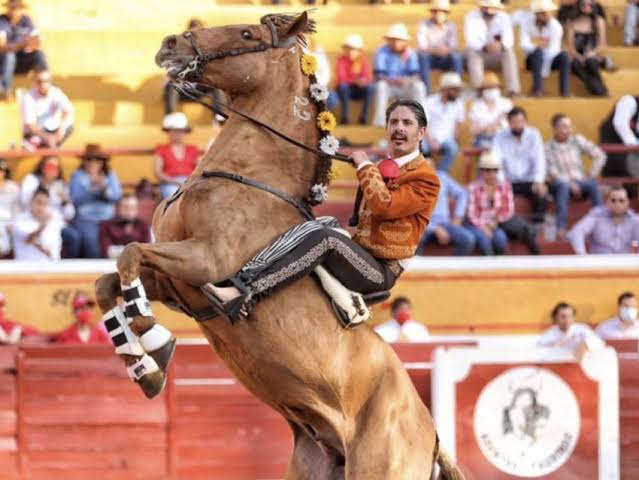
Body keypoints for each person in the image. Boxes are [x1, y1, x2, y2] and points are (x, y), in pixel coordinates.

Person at [202, 99, 440, 322]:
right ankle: (243, 276)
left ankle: (246, 293)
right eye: (394, 122)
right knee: (321, 223)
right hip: (362, 252)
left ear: (421, 133)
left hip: (380, 272)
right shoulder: (385, 166)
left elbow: (384, 205)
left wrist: (366, 166)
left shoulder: (425, 178)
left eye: (407, 123)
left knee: (327, 240)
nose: (399, 128)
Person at [466, 151, 539, 255]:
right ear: (481, 171)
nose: (491, 173)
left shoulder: (505, 185)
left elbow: (508, 210)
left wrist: (495, 222)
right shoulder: (473, 187)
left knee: (501, 239)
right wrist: (483, 226)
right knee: (485, 240)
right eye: (487, 170)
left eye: (494, 170)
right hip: (478, 224)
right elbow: (472, 213)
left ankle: (499, 268)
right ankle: (488, 269)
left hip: (497, 223)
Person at [546, 113, 604, 237]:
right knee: (563, 186)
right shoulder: (548, 147)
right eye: (565, 127)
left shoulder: (577, 140)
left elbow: (600, 155)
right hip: (560, 183)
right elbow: (552, 171)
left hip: (580, 180)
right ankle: (561, 228)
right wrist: (570, 184)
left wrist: (591, 174)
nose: (569, 130)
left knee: (593, 185)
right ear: (555, 129)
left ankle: (601, 223)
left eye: (569, 127)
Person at [491, 107, 547, 223]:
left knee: (541, 194)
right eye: (514, 122)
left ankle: (536, 228)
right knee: (495, 196)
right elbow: (495, 160)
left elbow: (539, 159)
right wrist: (500, 183)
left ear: (525, 122)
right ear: (508, 123)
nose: (517, 125)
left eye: (520, 122)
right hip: (508, 181)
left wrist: (538, 180)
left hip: (529, 181)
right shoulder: (499, 136)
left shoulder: (534, 135)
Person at [19, 155, 80, 256]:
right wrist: (43, 184)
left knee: (74, 237)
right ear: (42, 167)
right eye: (49, 166)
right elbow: (25, 202)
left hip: (56, 223)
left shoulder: (60, 185)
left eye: (55, 167)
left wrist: (65, 201)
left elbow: (70, 214)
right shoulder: (31, 180)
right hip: (33, 221)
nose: (52, 170)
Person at [69, 144, 122, 258]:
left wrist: (104, 190)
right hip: (86, 220)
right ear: (84, 161)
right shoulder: (77, 176)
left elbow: (117, 196)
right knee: (94, 250)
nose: (93, 163)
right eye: (89, 159)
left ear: (103, 162)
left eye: (98, 159)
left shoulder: (110, 175)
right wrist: (91, 190)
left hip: (108, 220)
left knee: (112, 249)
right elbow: (75, 199)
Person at [372, 24, 427, 127]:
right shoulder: (381, 52)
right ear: (388, 40)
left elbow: (415, 75)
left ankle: (421, 120)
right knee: (380, 86)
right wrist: (392, 80)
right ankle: (379, 121)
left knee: (419, 86)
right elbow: (378, 75)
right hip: (389, 85)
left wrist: (406, 81)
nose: (395, 43)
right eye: (393, 39)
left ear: (404, 41)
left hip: (405, 86)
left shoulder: (410, 53)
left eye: (398, 40)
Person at [464, 0, 521, 97]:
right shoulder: (471, 17)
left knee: (509, 52)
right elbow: (471, 40)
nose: (489, 10)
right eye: (487, 7)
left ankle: (513, 90)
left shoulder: (504, 17)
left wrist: (500, 45)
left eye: (492, 7)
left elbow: (509, 40)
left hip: (497, 56)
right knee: (472, 52)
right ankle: (479, 89)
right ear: (481, 7)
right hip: (480, 55)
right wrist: (486, 47)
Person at [418, 169, 475, 255]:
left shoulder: (442, 177)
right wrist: (435, 228)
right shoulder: (412, 180)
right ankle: (417, 268)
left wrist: (458, 216)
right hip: (422, 226)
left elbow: (462, 193)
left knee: (468, 239)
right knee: (414, 240)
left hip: (445, 224)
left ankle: (455, 267)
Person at [568, 185, 639, 254]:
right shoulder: (596, 216)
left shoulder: (635, 220)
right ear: (607, 201)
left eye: (621, 200)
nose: (617, 204)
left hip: (627, 264)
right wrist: (582, 255)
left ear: (627, 202)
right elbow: (577, 232)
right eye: (613, 200)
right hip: (598, 264)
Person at [520, 0, 570, 97]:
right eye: (543, 13)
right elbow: (524, 45)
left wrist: (544, 73)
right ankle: (538, 89)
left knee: (564, 56)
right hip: (532, 60)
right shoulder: (526, 23)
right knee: (537, 53)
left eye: (548, 12)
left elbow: (553, 51)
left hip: (550, 60)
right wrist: (537, 47)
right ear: (537, 14)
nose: (548, 16)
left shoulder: (556, 26)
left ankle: (564, 92)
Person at [0, 0, 47, 99]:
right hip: (3, 63)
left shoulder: (27, 21)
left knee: (39, 54)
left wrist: (28, 44)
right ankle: (5, 90)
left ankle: (45, 85)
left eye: (17, 8)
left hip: (22, 61)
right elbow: (2, 46)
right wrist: (23, 44)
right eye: (12, 8)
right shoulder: (2, 21)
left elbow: (37, 42)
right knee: (9, 55)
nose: (14, 11)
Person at [416, 0, 463, 93]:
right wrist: (436, 50)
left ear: (446, 13)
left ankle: (456, 88)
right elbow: (422, 46)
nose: (438, 14)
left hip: (445, 57)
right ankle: (426, 91)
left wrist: (446, 50)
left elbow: (454, 45)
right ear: (431, 12)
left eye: (441, 12)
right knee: (422, 56)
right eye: (435, 11)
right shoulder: (423, 24)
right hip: (430, 58)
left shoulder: (451, 25)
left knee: (457, 56)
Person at [422, 72, 465, 172]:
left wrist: (453, 139)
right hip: (428, 138)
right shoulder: (429, 102)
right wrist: (431, 141)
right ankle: (424, 173)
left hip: (446, 140)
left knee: (453, 147)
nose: (458, 93)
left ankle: (440, 175)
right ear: (446, 90)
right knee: (420, 146)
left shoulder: (459, 104)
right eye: (455, 90)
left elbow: (457, 127)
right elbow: (424, 125)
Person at [20, 69, 73, 149]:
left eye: (46, 81)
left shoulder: (55, 92)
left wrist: (61, 129)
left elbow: (67, 110)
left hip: (53, 130)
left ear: (50, 82)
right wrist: (47, 137)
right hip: (37, 132)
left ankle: (51, 152)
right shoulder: (28, 97)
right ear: (35, 82)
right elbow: (31, 126)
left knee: (69, 124)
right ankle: (52, 153)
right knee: (39, 140)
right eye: (39, 81)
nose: (43, 84)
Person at [565, 0, 609, 96]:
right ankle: (599, 89)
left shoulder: (599, 21)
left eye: (589, 5)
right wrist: (580, 57)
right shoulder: (571, 23)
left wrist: (591, 54)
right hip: (577, 56)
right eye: (583, 5)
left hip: (594, 55)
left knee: (591, 62)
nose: (586, 8)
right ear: (578, 6)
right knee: (575, 65)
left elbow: (602, 44)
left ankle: (599, 89)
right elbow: (570, 47)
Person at [154, 113, 200, 199]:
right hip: (170, 183)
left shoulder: (192, 149)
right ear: (168, 132)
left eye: (181, 131)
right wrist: (175, 181)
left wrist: (191, 181)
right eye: (175, 131)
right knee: (173, 195)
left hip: (190, 182)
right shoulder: (161, 149)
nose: (179, 134)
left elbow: (199, 168)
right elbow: (158, 172)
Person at [11, 187, 63, 261]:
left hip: (50, 268)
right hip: (25, 268)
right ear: (31, 202)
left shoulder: (54, 220)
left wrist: (39, 245)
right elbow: (29, 239)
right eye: (39, 202)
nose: (41, 207)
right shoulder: (20, 219)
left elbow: (54, 254)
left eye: (45, 204)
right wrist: (43, 225)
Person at [537, 302, 604, 355]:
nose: (567, 320)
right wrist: (553, 345)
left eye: (570, 316)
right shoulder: (550, 333)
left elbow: (599, 342)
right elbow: (538, 350)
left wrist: (585, 344)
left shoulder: (581, 329)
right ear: (555, 319)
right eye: (563, 317)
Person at [335, 34, 374, 125]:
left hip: (359, 90)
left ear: (359, 51)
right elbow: (341, 79)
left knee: (370, 88)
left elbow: (368, 77)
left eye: (353, 49)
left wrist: (364, 82)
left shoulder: (362, 61)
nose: (350, 52)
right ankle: (345, 117)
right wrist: (356, 81)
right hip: (346, 90)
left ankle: (364, 117)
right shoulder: (341, 60)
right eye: (348, 49)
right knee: (343, 87)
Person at [468, 72, 513, 148]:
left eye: (494, 88)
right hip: (482, 139)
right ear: (482, 90)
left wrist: (490, 127)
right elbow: (473, 131)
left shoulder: (506, 103)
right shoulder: (476, 106)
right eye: (488, 88)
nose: (491, 90)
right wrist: (490, 127)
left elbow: (510, 125)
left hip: (504, 138)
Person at [99, 194, 151, 259]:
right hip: (112, 265)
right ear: (117, 208)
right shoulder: (106, 225)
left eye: (132, 208)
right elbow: (107, 251)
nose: (129, 211)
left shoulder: (144, 226)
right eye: (125, 207)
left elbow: (147, 251)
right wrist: (136, 251)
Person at [598, 94, 639, 178]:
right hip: (614, 148)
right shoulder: (629, 101)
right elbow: (620, 124)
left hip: (629, 155)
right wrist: (635, 147)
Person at [0, 158, 18, 256]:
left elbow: (16, 207)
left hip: (8, 220)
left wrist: (13, 222)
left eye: (1, 170)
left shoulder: (12, 187)